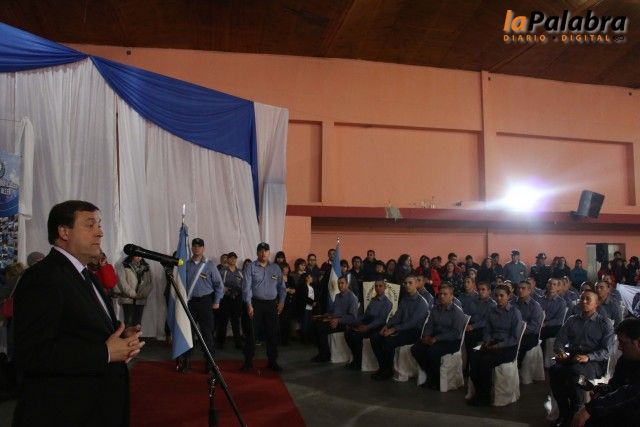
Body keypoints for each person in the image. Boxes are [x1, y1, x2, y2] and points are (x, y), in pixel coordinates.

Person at [12, 200, 144, 426]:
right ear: (64, 232)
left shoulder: (86, 275)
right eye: (90, 225)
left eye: (99, 225)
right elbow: (33, 353)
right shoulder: (42, 277)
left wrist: (120, 338)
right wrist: (105, 352)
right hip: (65, 412)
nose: (100, 232)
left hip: (95, 406)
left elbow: (78, 330)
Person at [549, 288, 613, 427]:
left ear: (596, 303)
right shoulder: (572, 320)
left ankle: (575, 411)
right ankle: (564, 412)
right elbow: (559, 341)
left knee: (576, 374)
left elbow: (606, 351)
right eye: (582, 298)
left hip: (593, 362)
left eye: (588, 299)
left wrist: (588, 357)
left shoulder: (604, 323)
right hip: (572, 358)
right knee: (554, 370)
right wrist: (561, 352)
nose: (584, 301)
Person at [571, 318, 640, 427]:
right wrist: (602, 390)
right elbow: (616, 384)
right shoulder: (625, 359)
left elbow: (631, 392)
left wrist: (591, 408)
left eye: (623, 343)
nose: (619, 347)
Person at [467, 284, 522, 406]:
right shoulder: (491, 311)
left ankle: (485, 397)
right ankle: (478, 392)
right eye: (496, 296)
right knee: (474, 355)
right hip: (492, 342)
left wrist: (498, 345)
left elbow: (514, 338)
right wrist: (488, 340)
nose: (499, 298)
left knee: (485, 361)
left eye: (502, 295)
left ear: (509, 296)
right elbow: (487, 330)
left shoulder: (515, 313)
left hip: (508, 347)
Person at [176, 238, 223, 374]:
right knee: (188, 333)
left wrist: (217, 301)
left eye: (199, 246)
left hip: (205, 302)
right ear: (192, 248)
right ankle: (186, 361)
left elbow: (219, 285)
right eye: (194, 246)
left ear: (203, 248)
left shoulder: (210, 265)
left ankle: (210, 363)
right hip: (190, 302)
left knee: (207, 334)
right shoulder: (185, 264)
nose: (196, 248)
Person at [370, 275, 429, 380]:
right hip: (402, 329)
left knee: (388, 341)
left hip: (414, 332)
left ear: (416, 284)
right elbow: (397, 316)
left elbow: (412, 323)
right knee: (375, 337)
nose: (407, 285)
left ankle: (388, 371)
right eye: (405, 283)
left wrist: (393, 329)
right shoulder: (405, 299)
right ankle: (383, 367)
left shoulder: (422, 302)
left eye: (410, 283)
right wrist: (386, 326)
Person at [411, 283, 467, 390]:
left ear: (451, 296)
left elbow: (455, 333)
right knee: (416, 349)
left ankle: (436, 380)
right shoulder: (435, 309)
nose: (441, 296)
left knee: (432, 351)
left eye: (445, 294)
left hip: (451, 341)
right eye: (440, 294)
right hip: (435, 338)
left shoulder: (457, 312)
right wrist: (427, 335)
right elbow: (429, 325)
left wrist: (436, 339)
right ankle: (431, 374)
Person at [242, 242, 285, 372]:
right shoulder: (250, 267)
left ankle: (272, 361)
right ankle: (248, 362)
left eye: (266, 251)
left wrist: (281, 302)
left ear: (269, 252)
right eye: (261, 250)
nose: (263, 253)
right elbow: (246, 287)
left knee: (272, 333)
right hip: (255, 304)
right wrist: (249, 304)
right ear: (257, 252)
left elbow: (282, 287)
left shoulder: (275, 268)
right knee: (251, 333)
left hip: (272, 305)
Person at [344, 279, 392, 370]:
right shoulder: (373, 300)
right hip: (367, 324)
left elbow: (381, 320)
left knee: (356, 336)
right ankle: (357, 360)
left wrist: (367, 327)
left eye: (380, 286)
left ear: (385, 287)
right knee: (349, 333)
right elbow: (365, 316)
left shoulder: (387, 303)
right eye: (376, 286)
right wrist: (353, 322)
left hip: (377, 327)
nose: (378, 288)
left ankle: (360, 363)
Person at [311, 276, 359, 363]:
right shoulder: (337, 296)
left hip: (345, 324)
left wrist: (338, 320)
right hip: (334, 320)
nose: (340, 285)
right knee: (315, 325)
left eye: (342, 283)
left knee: (321, 328)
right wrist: (324, 316)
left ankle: (325, 355)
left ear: (347, 284)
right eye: (339, 283)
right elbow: (335, 312)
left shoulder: (352, 298)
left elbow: (353, 318)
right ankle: (322, 352)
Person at [216, 252, 244, 349]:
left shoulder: (240, 272)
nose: (232, 260)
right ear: (227, 259)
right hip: (225, 299)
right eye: (231, 258)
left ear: (236, 259)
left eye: (234, 258)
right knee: (223, 321)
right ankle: (220, 343)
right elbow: (218, 284)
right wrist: (225, 289)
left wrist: (239, 291)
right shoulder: (222, 271)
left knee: (236, 321)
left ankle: (238, 343)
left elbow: (244, 285)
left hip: (236, 298)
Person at [514, 280, 544, 366]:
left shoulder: (535, 306)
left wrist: (518, 331)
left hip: (529, 335)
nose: (520, 290)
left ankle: (517, 366)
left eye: (523, 288)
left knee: (518, 345)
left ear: (529, 290)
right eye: (519, 288)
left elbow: (534, 327)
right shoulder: (512, 304)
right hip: (513, 333)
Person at [117, 254, 152, 328]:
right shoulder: (124, 265)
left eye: (140, 255)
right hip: (128, 299)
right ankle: (128, 336)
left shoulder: (146, 267)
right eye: (136, 255)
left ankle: (137, 335)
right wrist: (133, 294)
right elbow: (122, 282)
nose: (139, 257)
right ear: (132, 255)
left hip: (141, 299)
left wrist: (143, 294)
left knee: (138, 324)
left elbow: (149, 283)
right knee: (128, 323)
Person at [538, 278, 567, 346]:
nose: (552, 286)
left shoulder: (561, 302)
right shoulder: (539, 300)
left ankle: (543, 351)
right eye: (550, 284)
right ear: (547, 285)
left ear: (558, 287)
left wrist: (545, 324)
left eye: (554, 284)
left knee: (542, 333)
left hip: (553, 326)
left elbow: (559, 320)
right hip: (540, 324)